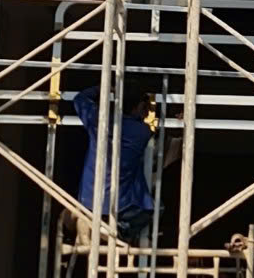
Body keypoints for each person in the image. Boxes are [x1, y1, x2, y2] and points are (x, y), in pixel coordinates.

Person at [70, 80, 176, 247]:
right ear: (139, 107)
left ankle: (90, 226)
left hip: (89, 199)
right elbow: (163, 137)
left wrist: (104, 88)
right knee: (154, 208)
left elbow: (79, 99)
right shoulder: (142, 132)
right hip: (119, 204)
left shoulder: (99, 120)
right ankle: (121, 230)